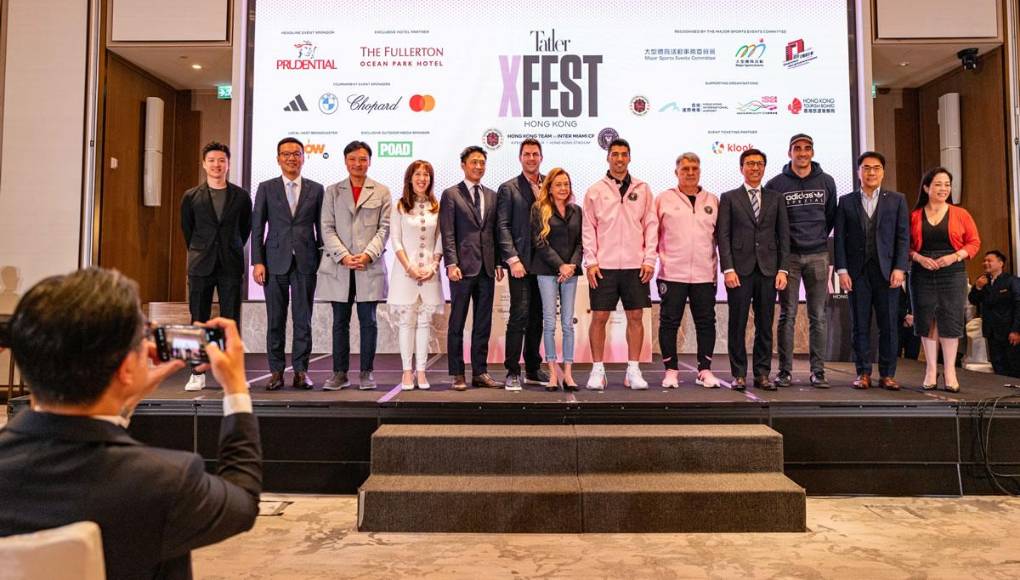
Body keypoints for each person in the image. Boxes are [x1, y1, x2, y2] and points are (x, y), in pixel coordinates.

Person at [0, 268, 261, 580]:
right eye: (144, 335)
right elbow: (242, 502)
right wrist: (235, 388)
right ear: (125, 368)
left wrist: (124, 400)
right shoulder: (164, 482)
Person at [582, 138, 658, 390]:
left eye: (624, 154)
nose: (619, 159)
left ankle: (633, 371)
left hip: (636, 266)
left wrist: (649, 258)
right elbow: (588, 229)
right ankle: (597, 371)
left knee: (635, 316)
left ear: (629, 157)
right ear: (608, 158)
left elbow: (651, 225)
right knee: (600, 317)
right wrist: (591, 262)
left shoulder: (643, 189)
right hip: (604, 266)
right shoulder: (595, 190)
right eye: (615, 154)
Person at [251, 137, 324, 390]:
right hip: (273, 262)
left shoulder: (316, 189)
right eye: (286, 154)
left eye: (296, 154)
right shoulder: (266, 188)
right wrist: (257, 261)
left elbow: (321, 229)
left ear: (304, 157)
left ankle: (302, 371)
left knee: (303, 319)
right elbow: (258, 227)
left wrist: (323, 261)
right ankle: (276, 371)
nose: (291, 158)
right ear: (278, 158)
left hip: (306, 261)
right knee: (276, 319)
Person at [318, 141, 391, 391]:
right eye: (352, 159)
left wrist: (368, 254)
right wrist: (343, 255)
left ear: (370, 161)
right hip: (340, 267)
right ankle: (339, 373)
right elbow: (326, 227)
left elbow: (385, 228)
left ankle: (367, 372)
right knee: (340, 322)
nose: (357, 164)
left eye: (362, 159)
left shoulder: (381, 191)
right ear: (345, 161)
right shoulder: (333, 191)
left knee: (368, 321)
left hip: (368, 267)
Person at [180, 141, 252, 391]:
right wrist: (203, 248)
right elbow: (188, 231)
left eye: (221, 160)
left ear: (228, 164)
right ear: (204, 164)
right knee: (198, 318)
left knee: (230, 319)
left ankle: (232, 373)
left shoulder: (241, 196)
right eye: (211, 160)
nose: (216, 165)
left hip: (230, 263)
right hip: (200, 264)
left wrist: (228, 247)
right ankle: (197, 372)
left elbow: (245, 229)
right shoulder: (191, 196)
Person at [834, 151, 910, 390]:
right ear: (858, 172)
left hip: (888, 273)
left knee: (888, 325)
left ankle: (887, 374)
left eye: (876, 168)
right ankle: (863, 373)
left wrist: (900, 268)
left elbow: (902, 237)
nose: (871, 172)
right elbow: (840, 239)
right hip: (857, 274)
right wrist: (842, 270)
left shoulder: (897, 200)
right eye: (866, 168)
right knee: (860, 325)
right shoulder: (846, 201)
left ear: (883, 171)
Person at [765, 134, 837, 388]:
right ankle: (784, 371)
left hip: (818, 255)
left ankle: (818, 372)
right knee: (788, 314)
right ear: (789, 153)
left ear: (812, 152)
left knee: (818, 315)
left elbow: (830, 218)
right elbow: (773, 223)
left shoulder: (827, 182)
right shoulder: (775, 184)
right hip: (789, 258)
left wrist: (816, 239)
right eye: (797, 149)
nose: (802, 153)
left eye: (807, 149)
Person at [717, 148, 790, 390]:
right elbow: (723, 236)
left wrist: (783, 269)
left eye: (759, 164)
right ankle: (738, 374)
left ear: (764, 167)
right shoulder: (729, 197)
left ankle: (762, 374)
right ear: (741, 168)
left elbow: (783, 236)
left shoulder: (776, 198)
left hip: (769, 270)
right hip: (739, 270)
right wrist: (728, 268)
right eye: (750, 164)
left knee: (765, 324)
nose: (755, 168)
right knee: (737, 323)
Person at [909, 167, 981, 392]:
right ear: (926, 187)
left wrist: (954, 256)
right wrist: (918, 258)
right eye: (938, 184)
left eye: (947, 184)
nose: (943, 188)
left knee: (950, 319)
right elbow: (904, 246)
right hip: (922, 272)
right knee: (926, 319)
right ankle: (931, 370)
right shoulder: (914, 215)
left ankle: (949, 371)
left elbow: (974, 242)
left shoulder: (961, 214)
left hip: (952, 271)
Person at [440, 146, 504, 390]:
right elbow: (447, 233)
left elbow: (495, 232)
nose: (478, 166)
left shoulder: (492, 195)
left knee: (483, 323)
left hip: (487, 268)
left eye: (482, 162)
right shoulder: (451, 194)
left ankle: (480, 371)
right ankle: (457, 373)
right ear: (463, 165)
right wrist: (451, 263)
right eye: (474, 162)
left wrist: (498, 262)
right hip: (461, 269)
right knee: (457, 322)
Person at [655, 152, 721, 389]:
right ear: (676, 173)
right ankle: (671, 371)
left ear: (700, 171)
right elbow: (652, 236)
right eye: (685, 169)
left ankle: (704, 370)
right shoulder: (663, 199)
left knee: (706, 323)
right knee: (669, 323)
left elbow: (720, 238)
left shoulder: (712, 200)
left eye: (694, 168)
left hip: (704, 274)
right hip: (671, 274)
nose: (690, 172)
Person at [496, 138, 548, 391]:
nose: (531, 158)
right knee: (519, 315)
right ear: (520, 158)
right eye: (526, 154)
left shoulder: (550, 183)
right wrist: (512, 259)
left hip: (545, 264)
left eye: (535, 154)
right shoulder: (508, 188)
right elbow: (502, 226)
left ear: (541, 157)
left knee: (538, 316)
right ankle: (512, 370)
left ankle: (533, 368)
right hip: (520, 264)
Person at [388, 160, 444, 390]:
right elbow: (396, 239)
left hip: (430, 273)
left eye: (426, 175)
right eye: (418, 174)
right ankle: (406, 372)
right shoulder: (399, 205)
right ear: (410, 178)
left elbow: (440, 237)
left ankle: (421, 372)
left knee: (424, 323)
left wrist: (433, 265)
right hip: (405, 274)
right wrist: (409, 268)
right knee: (406, 322)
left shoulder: (435, 205)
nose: (422, 179)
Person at [530, 167, 583, 391]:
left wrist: (571, 265)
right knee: (550, 323)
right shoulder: (539, 209)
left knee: (568, 324)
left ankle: (568, 374)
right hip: (547, 271)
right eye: (558, 184)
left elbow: (581, 241)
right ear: (549, 188)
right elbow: (539, 242)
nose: (563, 188)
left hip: (570, 272)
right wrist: (559, 265)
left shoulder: (576, 210)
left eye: (566, 184)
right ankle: (552, 373)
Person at [969, 250, 1020, 377]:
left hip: (1009, 331)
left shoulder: (1011, 281)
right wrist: (978, 287)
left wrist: (1016, 330)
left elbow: (1019, 306)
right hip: (991, 331)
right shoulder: (982, 281)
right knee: (997, 365)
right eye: (984, 261)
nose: (985, 263)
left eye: (989, 260)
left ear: (1001, 263)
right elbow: (973, 300)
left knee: (1013, 365)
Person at [899, 283, 921, 360]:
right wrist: (904, 315)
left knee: (913, 356)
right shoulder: (890, 277)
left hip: (915, 323)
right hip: (895, 323)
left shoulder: (915, 278)